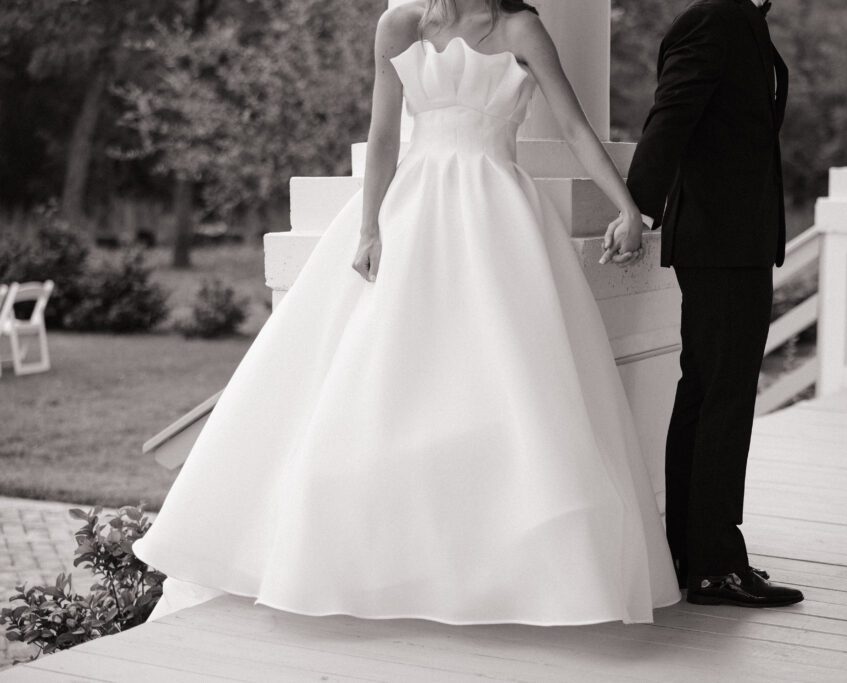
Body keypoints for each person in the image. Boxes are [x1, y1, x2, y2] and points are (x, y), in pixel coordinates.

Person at [132, 0, 682, 626]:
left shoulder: (522, 27)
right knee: (384, 378)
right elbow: (385, 134)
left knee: (506, 383)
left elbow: (576, 128)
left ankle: (506, 571)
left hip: (497, 220)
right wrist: (368, 227)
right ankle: (361, 562)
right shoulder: (401, 25)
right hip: (410, 214)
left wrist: (628, 208)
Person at [626, 0, 804, 607]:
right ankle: (715, 564)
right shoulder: (715, 21)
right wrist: (638, 207)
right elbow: (671, 115)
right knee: (722, 398)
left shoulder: (741, 20)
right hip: (721, 241)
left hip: (732, 240)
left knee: (707, 396)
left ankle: (692, 552)